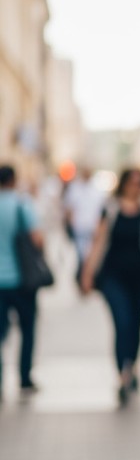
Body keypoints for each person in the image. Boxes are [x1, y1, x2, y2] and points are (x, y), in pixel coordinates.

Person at [80, 168, 140, 404]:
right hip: (113, 277)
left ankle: (132, 365)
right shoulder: (111, 209)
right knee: (122, 322)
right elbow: (98, 241)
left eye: (139, 183)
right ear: (123, 184)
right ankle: (122, 374)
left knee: (136, 326)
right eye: (131, 182)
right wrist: (87, 273)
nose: (135, 187)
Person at [0, 165, 44, 397]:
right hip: (21, 280)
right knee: (27, 330)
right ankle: (24, 378)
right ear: (13, 180)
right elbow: (37, 239)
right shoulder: (21, 205)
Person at [62, 167, 106, 282]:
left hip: (93, 228)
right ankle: (82, 277)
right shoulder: (75, 188)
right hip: (79, 227)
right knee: (81, 255)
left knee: (90, 255)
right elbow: (69, 209)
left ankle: (86, 277)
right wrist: (69, 225)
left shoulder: (96, 189)